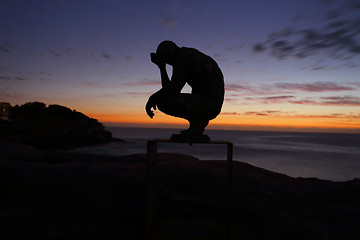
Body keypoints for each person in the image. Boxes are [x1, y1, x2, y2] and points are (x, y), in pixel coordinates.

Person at [145, 40, 224, 141]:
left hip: (209, 105)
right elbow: (170, 89)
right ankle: (197, 125)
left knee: (163, 101)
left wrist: (152, 98)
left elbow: (173, 89)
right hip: (209, 104)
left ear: (169, 55)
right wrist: (162, 67)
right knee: (163, 98)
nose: (169, 64)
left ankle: (198, 122)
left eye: (166, 61)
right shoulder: (187, 54)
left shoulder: (183, 56)